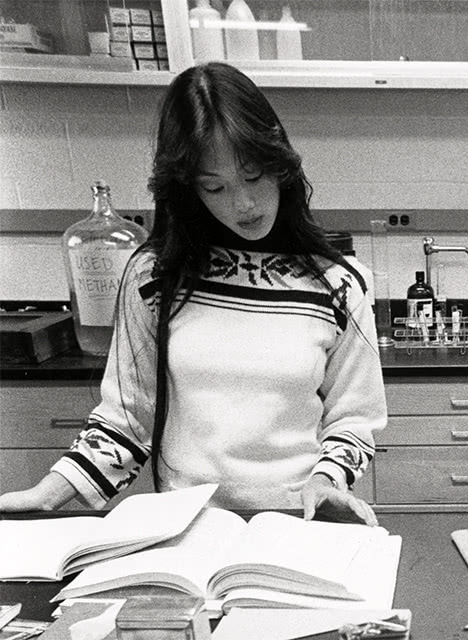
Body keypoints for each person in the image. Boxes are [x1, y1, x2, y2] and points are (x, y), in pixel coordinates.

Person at [0, 63, 387, 525]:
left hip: (297, 521)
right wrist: (48, 493)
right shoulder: (154, 277)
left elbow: (353, 418)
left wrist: (328, 481)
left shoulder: (337, 283)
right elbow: (129, 418)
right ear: (188, 189)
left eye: (254, 175)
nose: (243, 203)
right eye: (215, 186)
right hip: (186, 526)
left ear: (281, 165)